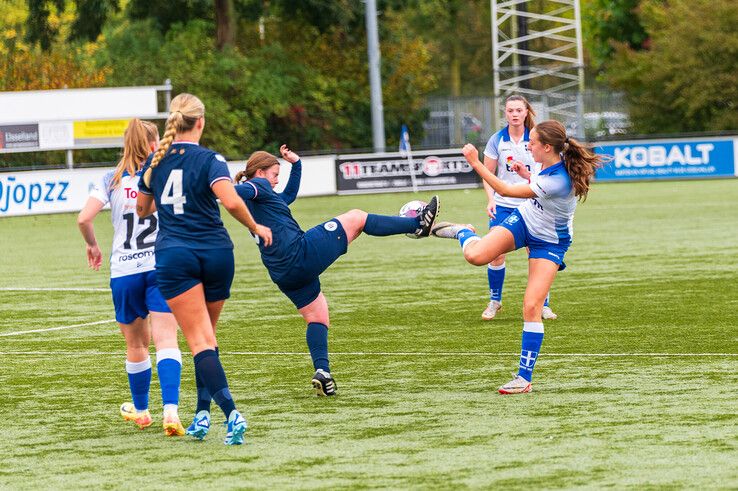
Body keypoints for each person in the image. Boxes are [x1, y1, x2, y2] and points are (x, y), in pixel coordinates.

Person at [233, 145, 439, 396]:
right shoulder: (258, 187)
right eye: (275, 174)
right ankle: (417, 224)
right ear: (261, 173)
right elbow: (235, 191)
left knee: (318, 316)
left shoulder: (264, 199)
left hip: (283, 273)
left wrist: (296, 165)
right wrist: (214, 187)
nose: (277, 181)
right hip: (300, 254)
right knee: (356, 218)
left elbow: (289, 195)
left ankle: (323, 373)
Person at [136, 93, 272, 445]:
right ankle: (201, 413)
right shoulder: (212, 158)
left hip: (176, 256)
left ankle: (231, 413)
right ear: (201, 122)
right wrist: (255, 228)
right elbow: (230, 200)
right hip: (216, 253)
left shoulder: (156, 160)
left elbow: (142, 210)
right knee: (207, 340)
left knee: (200, 341)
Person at [433, 120, 604, 394]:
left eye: (533, 143)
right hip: (524, 221)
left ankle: (523, 379)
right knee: (476, 256)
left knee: (531, 306)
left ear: (547, 147)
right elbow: (535, 185)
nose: (528, 146)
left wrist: (475, 162)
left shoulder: (559, 179)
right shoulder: (545, 163)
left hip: (550, 242)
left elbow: (506, 191)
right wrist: (527, 174)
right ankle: (464, 232)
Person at [77, 118, 185, 436]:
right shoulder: (162, 176)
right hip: (160, 266)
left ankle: (141, 411)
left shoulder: (110, 178)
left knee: (136, 345)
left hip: (124, 271)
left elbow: (84, 218)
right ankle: (171, 412)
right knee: (167, 339)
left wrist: (93, 246)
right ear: (154, 145)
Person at [481, 95, 557, 321]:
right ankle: (495, 301)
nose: (514, 114)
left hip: (532, 203)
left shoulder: (537, 138)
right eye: (510, 110)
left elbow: (548, 170)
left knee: (537, 255)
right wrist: (491, 199)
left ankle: (544, 304)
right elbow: (487, 174)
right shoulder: (497, 140)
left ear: (526, 113)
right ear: (505, 113)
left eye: (518, 110)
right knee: (495, 254)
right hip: (503, 205)